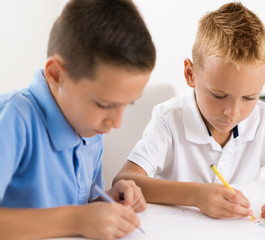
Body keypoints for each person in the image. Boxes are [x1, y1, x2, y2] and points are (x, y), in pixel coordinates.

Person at [114, 2, 265, 225]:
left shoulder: (262, 120)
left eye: (249, 98)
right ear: (191, 73)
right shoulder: (170, 119)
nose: (232, 113)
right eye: (218, 95)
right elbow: (124, 181)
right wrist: (197, 195)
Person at [0, 0, 156, 239]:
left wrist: (103, 202)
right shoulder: (14, 118)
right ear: (56, 75)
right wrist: (77, 219)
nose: (116, 123)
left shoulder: (90, 130)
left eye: (128, 103)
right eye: (105, 104)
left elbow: (75, 205)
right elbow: (72, 218)